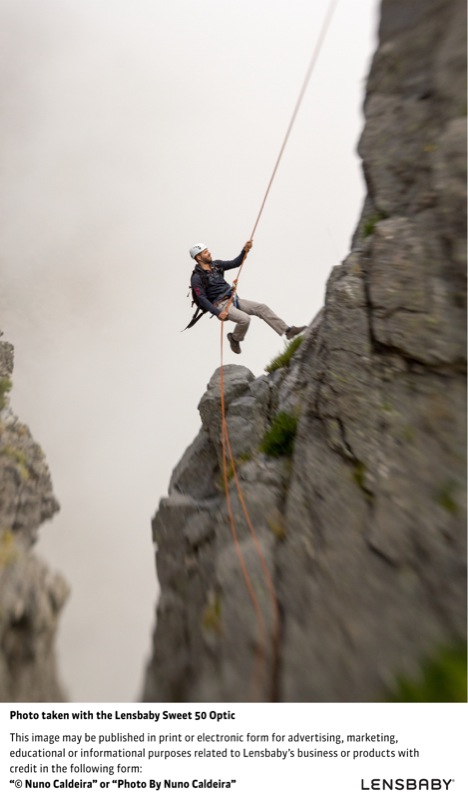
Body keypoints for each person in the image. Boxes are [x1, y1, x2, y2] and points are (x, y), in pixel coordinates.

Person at [189, 241, 306, 354]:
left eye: (207, 250)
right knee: (244, 319)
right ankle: (235, 339)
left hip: (233, 299)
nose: (209, 253)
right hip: (221, 306)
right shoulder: (197, 278)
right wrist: (217, 313)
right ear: (198, 258)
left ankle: (287, 331)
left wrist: (244, 251)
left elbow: (235, 263)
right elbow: (202, 299)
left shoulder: (216, 265)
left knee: (261, 308)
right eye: (205, 252)